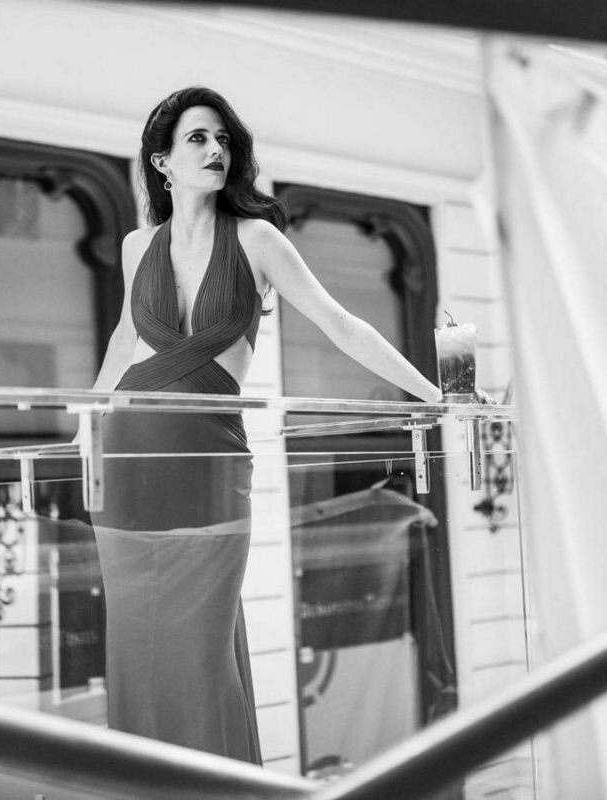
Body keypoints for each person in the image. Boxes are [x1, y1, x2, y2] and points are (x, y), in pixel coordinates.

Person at [85, 86, 442, 764]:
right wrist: (86, 425)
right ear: (161, 161)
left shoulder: (256, 239)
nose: (215, 150)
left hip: (210, 461)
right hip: (127, 457)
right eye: (197, 138)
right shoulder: (138, 246)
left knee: (201, 653)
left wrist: (435, 396)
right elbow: (123, 341)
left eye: (223, 139)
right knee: (136, 649)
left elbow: (340, 324)